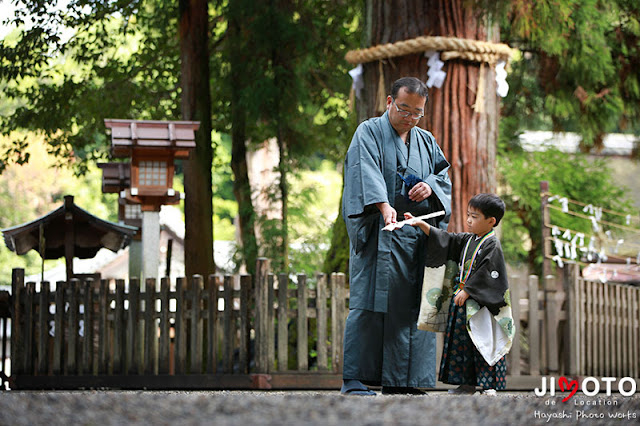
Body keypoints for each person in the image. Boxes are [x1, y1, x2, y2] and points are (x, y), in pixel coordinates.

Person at [341, 77, 452, 396]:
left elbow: (442, 175)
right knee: (369, 304)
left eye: (417, 112)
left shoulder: (426, 140)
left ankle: (405, 381)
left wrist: (430, 185)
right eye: (404, 109)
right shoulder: (369, 131)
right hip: (379, 232)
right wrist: (383, 205)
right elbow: (364, 171)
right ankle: (355, 379)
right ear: (390, 101)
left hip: (416, 236)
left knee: (413, 306)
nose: (410, 117)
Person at [403, 193, 514, 395]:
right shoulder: (469, 239)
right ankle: (466, 384)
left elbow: (489, 272)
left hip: (481, 305)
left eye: (475, 217)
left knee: (482, 343)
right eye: (468, 215)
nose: (469, 220)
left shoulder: (492, 244)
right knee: (461, 345)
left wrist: (468, 290)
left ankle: (488, 385)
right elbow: (447, 239)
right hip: (462, 301)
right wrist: (421, 224)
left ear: (491, 221)